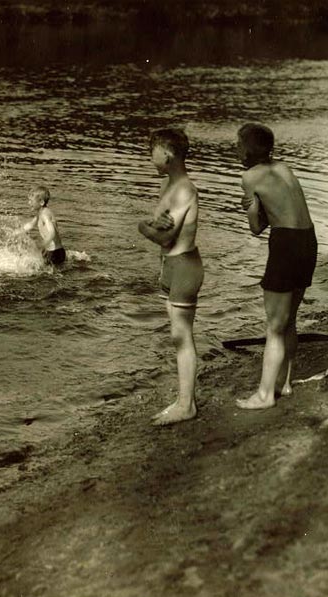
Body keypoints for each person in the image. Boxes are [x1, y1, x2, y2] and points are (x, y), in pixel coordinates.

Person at [235, 123, 317, 410]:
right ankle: (284, 383)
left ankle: (265, 395)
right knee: (289, 319)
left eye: (238, 143)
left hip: (286, 244)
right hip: (309, 240)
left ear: (247, 149)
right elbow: (284, 207)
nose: (236, 148)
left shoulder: (249, 177)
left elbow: (257, 227)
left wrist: (250, 207)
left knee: (274, 326)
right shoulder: (285, 168)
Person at [138, 128, 203, 426]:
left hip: (184, 266)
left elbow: (164, 237)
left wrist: (143, 226)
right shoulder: (170, 186)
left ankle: (186, 404)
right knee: (178, 336)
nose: (149, 156)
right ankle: (182, 398)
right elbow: (161, 227)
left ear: (167, 153)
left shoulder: (183, 189)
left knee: (181, 337)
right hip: (172, 266)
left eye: (152, 150)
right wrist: (153, 224)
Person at [21, 186, 65, 266]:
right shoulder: (40, 213)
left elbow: (52, 233)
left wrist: (43, 244)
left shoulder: (45, 214)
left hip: (55, 252)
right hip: (54, 250)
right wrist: (18, 232)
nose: (28, 203)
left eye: (31, 201)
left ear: (41, 202)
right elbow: (31, 225)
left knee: (46, 273)